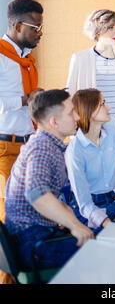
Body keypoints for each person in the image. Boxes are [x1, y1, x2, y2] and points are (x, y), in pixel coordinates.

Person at [4, 89, 94, 273]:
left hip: (35, 235)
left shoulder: (48, 145)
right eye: (71, 112)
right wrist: (75, 226)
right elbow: (37, 194)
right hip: (33, 243)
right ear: (54, 122)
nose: (77, 117)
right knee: (107, 248)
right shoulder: (41, 149)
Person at [66, 9, 115, 196]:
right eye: (110, 27)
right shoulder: (80, 59)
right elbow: (70, 99)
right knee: (94, 186)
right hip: (90, 131)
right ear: (98, 31)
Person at [65, 88, 115, 232]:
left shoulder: (110, 131)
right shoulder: (74, 151)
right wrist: (109, 225)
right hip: (89, 211)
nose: (109, 107)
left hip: (112, 199)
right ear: (89, 110)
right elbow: (85, 204)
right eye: (103, 104)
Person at [0, 0, 43, 224]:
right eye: (36, 27)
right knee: (7, 211)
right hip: (5, 148)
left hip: (28, 143)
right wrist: (26, 99)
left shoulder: (26, 59)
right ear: (18, 27)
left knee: (30, 208)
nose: (40, 33)